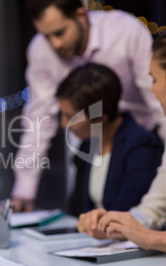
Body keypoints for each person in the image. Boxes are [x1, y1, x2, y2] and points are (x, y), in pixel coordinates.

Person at [11, 0, 166, 212]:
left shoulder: (125, 32)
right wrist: (24, 190)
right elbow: (39, 119)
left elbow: (159, 100)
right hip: (92, 138)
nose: (55, 44)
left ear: (81, 15)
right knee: (84, 208)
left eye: (59, 32)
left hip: (142, 137)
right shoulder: (41, 50)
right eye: (47, 36)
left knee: (134, 210)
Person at [77, 30, 166, 251]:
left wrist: (154, 239)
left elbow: (152, 232)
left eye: (154, 80)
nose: (152, 91)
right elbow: (153, 210)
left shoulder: (138, 141)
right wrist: (115, 223)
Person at [56, 63, 162, 217]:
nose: (63, 123)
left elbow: (126, 212)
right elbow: (76, 209)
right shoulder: (87, 146)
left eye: (71, 117)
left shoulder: (140, 145)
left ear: (100, 117)